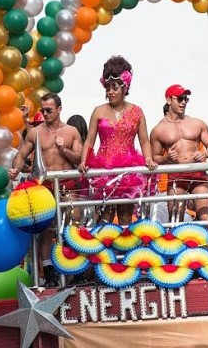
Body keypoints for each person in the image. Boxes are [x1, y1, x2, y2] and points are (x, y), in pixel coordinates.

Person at [8, 92, 83, 287]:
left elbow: (80, 159)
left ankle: (76, 269)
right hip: (45, 187)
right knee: (46, 231)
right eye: (43, 110)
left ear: (59, 109)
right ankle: (50, 273)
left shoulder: (71, 131)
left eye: (49, 110)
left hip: (68, 184)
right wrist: (16, 168)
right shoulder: (36, 132)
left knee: (74, 227)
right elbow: (22, 154)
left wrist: (64, 150)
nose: (46, 113)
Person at [78, 56, 156, 225]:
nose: (110, 92)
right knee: (105, 217)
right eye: (107, 87)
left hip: (128, 170)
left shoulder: (137, 111)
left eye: (114, 87)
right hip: (103, 169)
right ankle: (105, 251)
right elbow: (89, 141)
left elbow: (144, 141)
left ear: (124, 87)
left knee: (126, 216)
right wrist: (83, 161)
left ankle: (125, 250)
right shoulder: (98, 111)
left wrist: (148, 158)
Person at [150, 84, 208, 222]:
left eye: (185, 99)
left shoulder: (197, 123)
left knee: (206, 217)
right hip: (176, 176)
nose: (183, 102)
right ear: (169, 100)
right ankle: (179, 243)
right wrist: (166, 158)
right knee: (175, 220)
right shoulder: (159, 130)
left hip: (198, 173)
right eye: (180, 98)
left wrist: (205, 153)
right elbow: (154, 157)